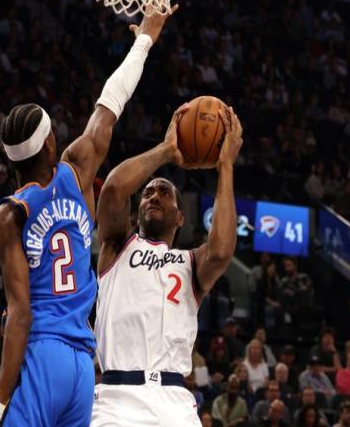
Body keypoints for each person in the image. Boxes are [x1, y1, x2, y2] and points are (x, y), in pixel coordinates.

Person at [0, 4, 179, 427]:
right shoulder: (77, 168)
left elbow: (20, 315)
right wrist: (145, 39)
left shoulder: (8, 216)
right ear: (50, 144)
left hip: (42, 354)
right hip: (83, 365)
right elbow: (111, 102)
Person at [91, 104, 242, 427]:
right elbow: (114, 190)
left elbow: (221, 252)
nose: (154, 196)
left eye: (164, 192)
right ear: (137, 212)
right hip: (117, 397)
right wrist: (165, 150)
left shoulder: (190, 262)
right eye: (147, 193)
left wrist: (226, 166)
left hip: (174, 400)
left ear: (181, 216)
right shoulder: (117, 246)